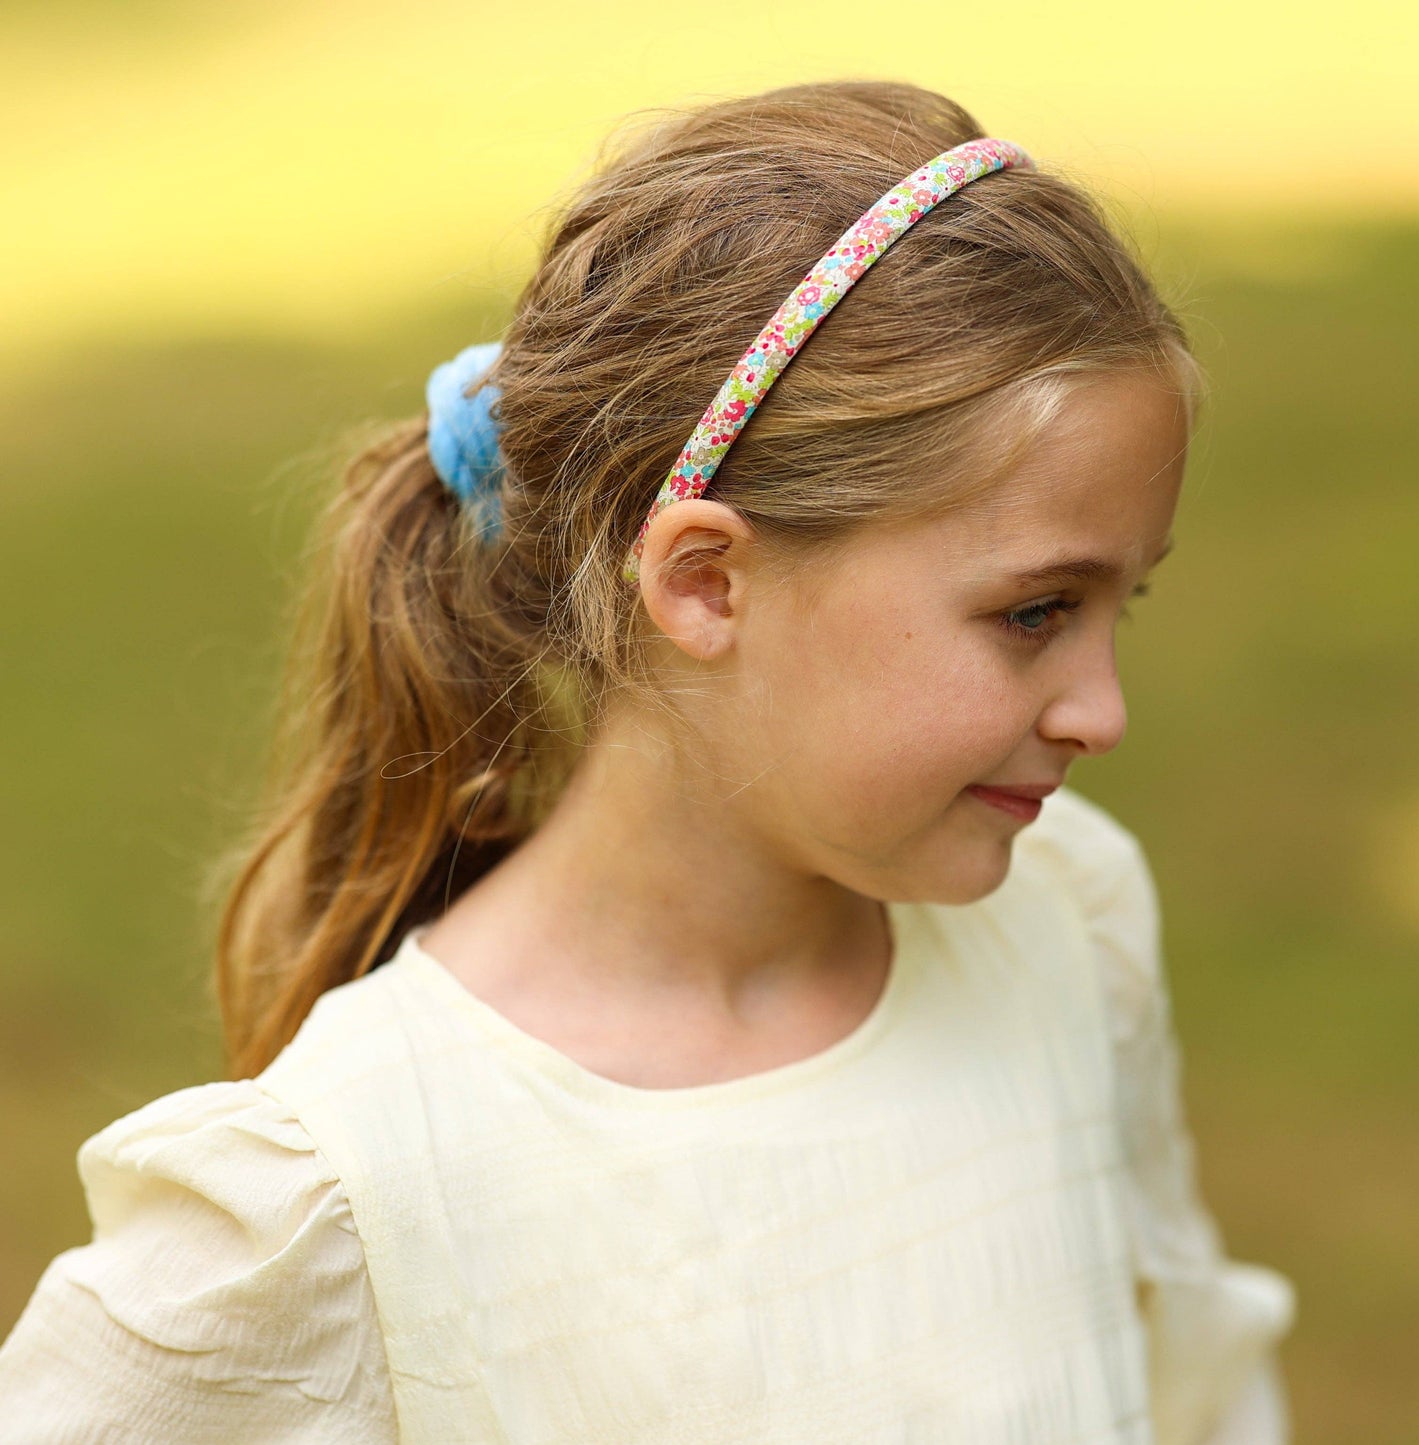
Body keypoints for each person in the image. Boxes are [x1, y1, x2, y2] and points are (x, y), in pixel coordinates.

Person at [0, 80, 1296, 1443]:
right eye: (1035, 612)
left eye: (1119, 605)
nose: (1102, 711)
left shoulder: (1068, 925)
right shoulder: (348, 1196)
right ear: (705, 582)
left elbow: (1192, 1388)